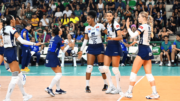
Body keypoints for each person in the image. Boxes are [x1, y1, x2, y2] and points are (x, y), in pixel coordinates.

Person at [0, 15, 41, 101]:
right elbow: (22, 41)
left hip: (6, 52)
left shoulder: (2, 30)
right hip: (11, 52)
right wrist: (34, 44)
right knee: (15, 77)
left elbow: (2, 40)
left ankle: (24, 95)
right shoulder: (12, 29)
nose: (15, 20)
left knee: (18, 74)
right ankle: (7, 98)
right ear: (11, 21)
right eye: (14, 19)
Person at [125, 11, 160, 99]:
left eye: (139, 17)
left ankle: (129, 92)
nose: (138, 18)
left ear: (144, 18)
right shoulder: (148, 26)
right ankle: (155, 92)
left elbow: (132, 35)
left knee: (133, 72)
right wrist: (137, 41)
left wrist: (127, 27)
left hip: (143, 50)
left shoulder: (142, 26)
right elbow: (144, 39)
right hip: (147, 49)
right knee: (148, 74)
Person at [78, 10, 108, 93]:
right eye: (87, 19)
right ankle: (87, 86)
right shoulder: (87, 28)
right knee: (89, 67)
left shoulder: (100, 26)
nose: (87, 20)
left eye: (88, 19)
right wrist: (81, 50)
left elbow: (108, 33)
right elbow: (85, 40)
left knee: (101, 67)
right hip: (91, 47)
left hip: (99, 47)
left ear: (93, 19)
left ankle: (106, 84)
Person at [45, 27, 73, 97]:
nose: (62, 30)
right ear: (59, 32)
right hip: (53, 56)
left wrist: (65, 44)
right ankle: (49, 88)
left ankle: (58, 89)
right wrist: (68, 46)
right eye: (61, 29)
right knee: (59, 75)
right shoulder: (60, 39)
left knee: (58, 73)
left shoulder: (53, 37)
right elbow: (63, 50)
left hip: (50, 55)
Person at [102, 11, 123, 94]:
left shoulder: (116, 24)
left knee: (115, 69)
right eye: (107, 16)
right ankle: (111, 86)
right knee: (105, 68)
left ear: (113, 16)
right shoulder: (108, 24)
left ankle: (119, 88)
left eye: (110, 16)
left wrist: (112, 39)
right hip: (109, 46)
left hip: (115, 46)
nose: (108, 17)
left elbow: (120, 37)